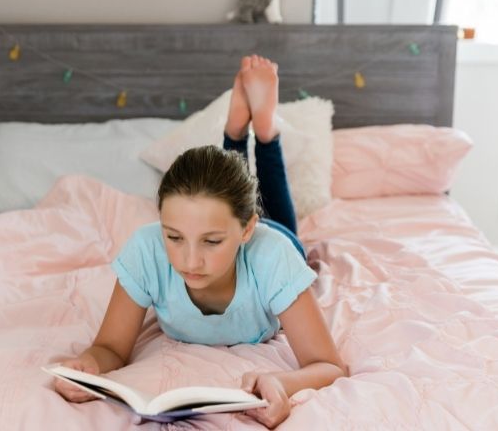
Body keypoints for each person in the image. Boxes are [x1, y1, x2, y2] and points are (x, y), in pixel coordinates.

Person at [53, 55, 347, 428]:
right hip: (236, 219)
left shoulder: (272, 255)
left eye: (211, 242)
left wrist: (282, 383)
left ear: (245, 231)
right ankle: (238, 131)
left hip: (276, 239)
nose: (189, 260)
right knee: (226, 198)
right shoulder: (147, 250)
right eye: (173, 236)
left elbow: (329, 365)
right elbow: (110, 347)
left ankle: (263, 130)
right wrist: (87, 365)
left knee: (276, 214)